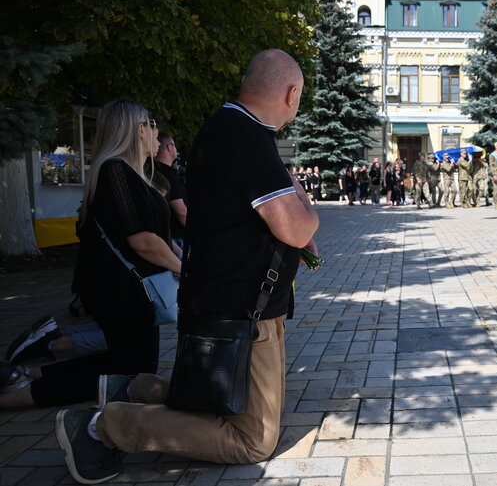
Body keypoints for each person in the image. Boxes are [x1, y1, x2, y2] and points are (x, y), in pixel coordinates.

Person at [56, 49, 319, 484]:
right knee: (253, 438)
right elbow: (294, 227)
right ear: (291, 94)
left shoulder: (227, 127)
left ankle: (134, 390)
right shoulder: (245, 135)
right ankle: (102, 428)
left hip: (231, 303)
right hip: (241, 310)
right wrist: (305, 202)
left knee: (228, 397)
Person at [0, 100, 181, 411]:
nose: (157, 133)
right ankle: (18, 396)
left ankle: (28, 375)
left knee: (125, 362)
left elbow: (158, 236)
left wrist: (182, 260)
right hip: (119, 290)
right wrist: (185, 269)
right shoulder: (116, 172)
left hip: (130, 289)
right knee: (132, 370)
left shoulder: (130, 174)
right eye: (152, 125)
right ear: (139, 130)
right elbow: (142, 240)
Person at [154, 133, 187, 248]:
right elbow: (181, 212)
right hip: (176, 239)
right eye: (174, 145)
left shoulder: (155, 171)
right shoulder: (167, 175)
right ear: (169, 147)